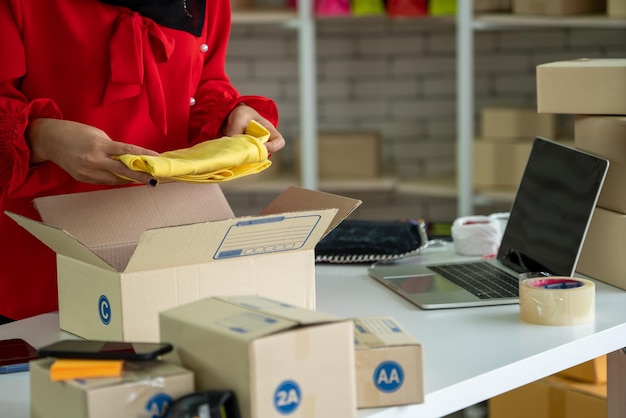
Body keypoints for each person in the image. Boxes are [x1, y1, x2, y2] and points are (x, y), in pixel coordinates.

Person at [0, 0, 286, 323]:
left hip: (167, 253)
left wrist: (232, 116)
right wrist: (43, 137)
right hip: (42, 259)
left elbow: (205, 82)